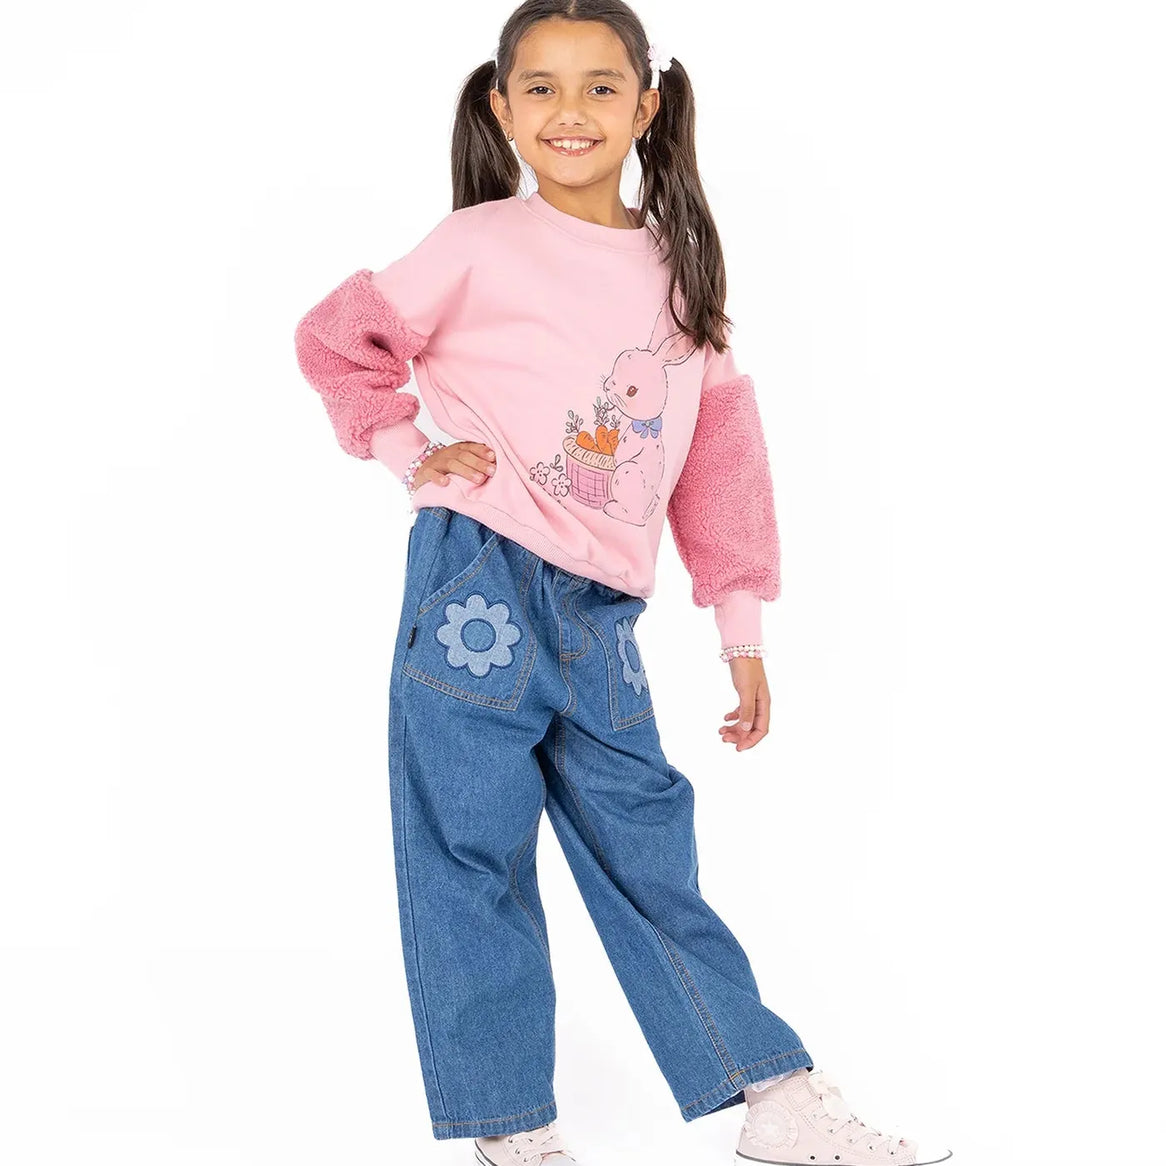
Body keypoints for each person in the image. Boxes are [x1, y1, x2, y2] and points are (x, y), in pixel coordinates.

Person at [293, 4, 952, 1164]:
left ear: (645, 105)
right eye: (540, 88)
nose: (570, 112)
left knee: (649, 850)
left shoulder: (679, 272)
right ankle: (512, 1126)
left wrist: (739, 628)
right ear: (500, 108)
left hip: (600, 612)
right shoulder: (475, 242)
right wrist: (407, 452)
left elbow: (720, 459)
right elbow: (336, 337)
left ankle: (772, 1094)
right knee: (468, 853)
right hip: (476, 581)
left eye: (600, 87)